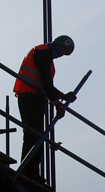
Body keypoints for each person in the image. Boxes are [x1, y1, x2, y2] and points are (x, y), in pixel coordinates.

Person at [13, 35, 77, 182]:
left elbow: (45, 87)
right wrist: (58, 102)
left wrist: (61, 98)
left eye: (63, 54)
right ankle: (30, 172)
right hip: (29, 98)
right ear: (55, 45)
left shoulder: (45, 56)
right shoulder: (43, 52)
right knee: (34, 135)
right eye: (61, 51)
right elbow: (46, 84)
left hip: (32, 97)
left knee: (33, 135)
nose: (60, 55)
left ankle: (29, 171)